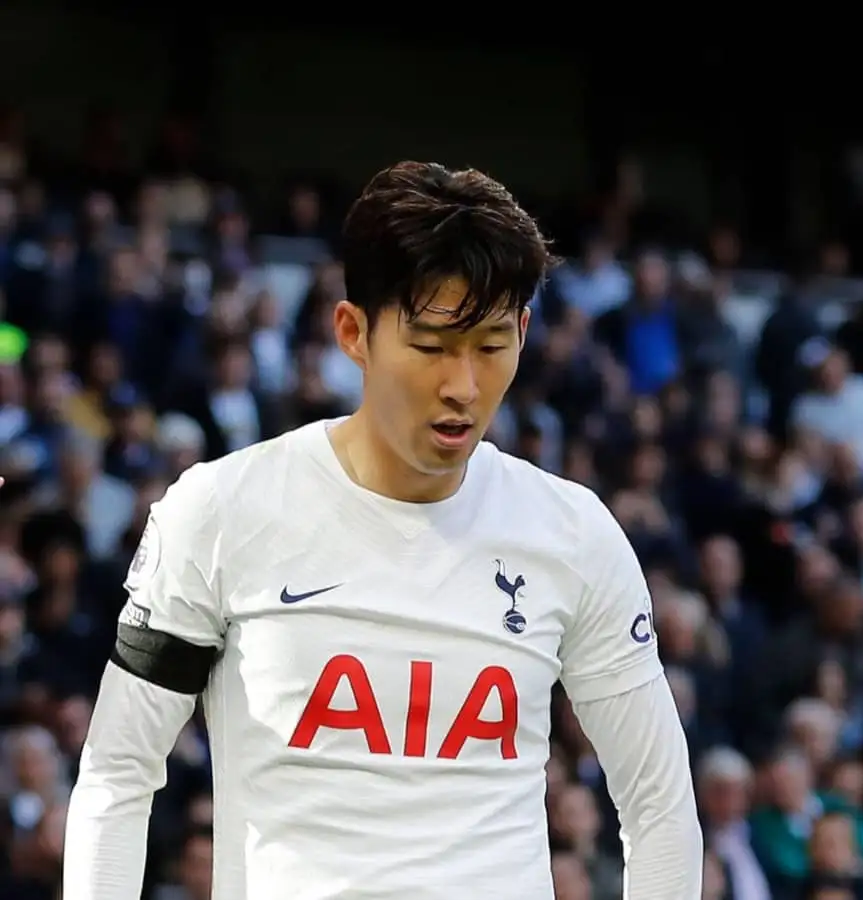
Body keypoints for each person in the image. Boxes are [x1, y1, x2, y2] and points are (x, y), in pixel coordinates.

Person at [61, 162, 702, 900]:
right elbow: (117, 774)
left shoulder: (573, 533)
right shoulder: (220, 510)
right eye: (430, 346)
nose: (461, 386)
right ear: (353, 332)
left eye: (491, 346)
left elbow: (659, 805)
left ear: (525, 332)